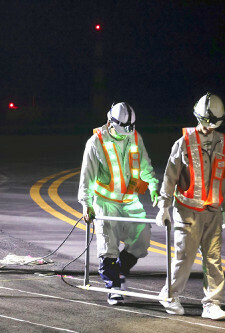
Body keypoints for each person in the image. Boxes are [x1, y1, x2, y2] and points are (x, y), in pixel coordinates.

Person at [156, 92, 225, 320]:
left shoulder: (223, 142)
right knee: (184, 256)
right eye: (205, 122)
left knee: (214, 259)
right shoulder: (183, 143)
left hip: (213, 212)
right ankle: (169, 295)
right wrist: (164, 206)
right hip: (187, 211)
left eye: (213, 124)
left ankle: (212, 303)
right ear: (198, 118)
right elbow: (170, 177)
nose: (209, 127)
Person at [78, 102, 159, 305]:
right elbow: (86, 177)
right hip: (106, 203)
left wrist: (153, 186)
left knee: (142, 239)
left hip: (130, 201)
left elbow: (144, 163)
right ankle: (113, 287)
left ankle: (119, 272)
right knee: (108, 247)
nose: (126, 135)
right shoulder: (95, 143)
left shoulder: (134, 136)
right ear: (110, 122)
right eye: (123, 130)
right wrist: (86, 204)